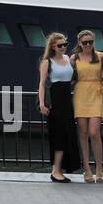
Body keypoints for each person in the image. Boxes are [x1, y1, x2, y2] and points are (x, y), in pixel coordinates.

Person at [38, 32, 80, 182]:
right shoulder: (46, 62)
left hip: (67, 100)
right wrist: (42, 103)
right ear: (53, 47)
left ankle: (60, 169)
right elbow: (42, 84)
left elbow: (72, 78)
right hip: (55, 102)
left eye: (65, 45)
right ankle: (55, 170)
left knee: (68, 133)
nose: (63, 47)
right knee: (58, 135)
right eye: (60, 45)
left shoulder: (68, 59)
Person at [71, 29, 103, 183]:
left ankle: (99, 168)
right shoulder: (74, 58)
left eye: (90, 42)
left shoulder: (100, 56)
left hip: (96, 93)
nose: (88, 45)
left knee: (94, 132)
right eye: (85, 42)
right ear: (79, 43)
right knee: (83, 132)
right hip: (80, 93)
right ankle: (87, 169)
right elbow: (70, 77)